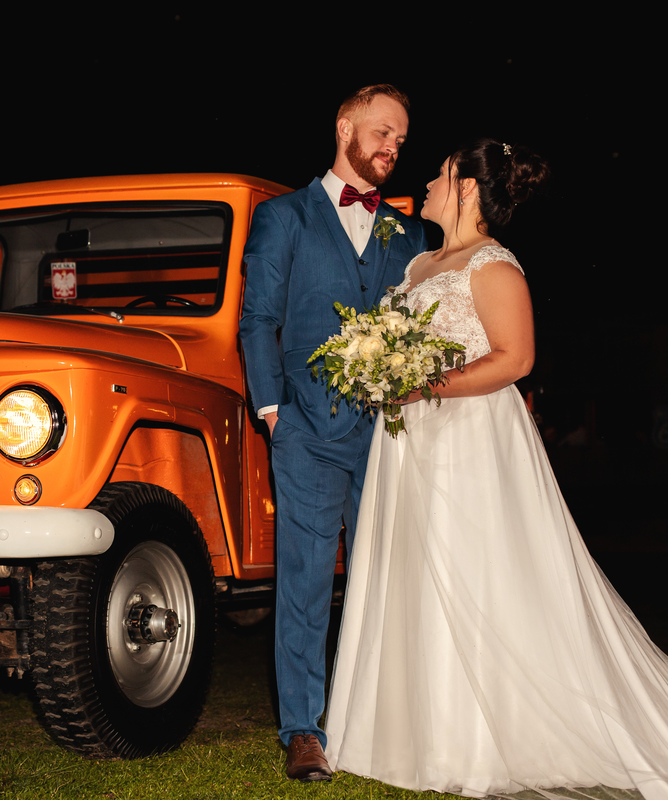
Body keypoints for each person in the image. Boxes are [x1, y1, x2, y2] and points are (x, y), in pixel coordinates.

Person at [324, 138, 668, 799]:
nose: (427, 183)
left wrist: (427, 385)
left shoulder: (494, 265)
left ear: (467, 188)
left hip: (468, 438)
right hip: (408, 439)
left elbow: (516, 358)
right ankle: (404, 735)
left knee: (475, 570)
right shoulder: (419, 263)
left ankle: (472, 741)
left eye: (440, 175)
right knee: (412, 565)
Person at [239, 84, 428, 782]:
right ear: (345, 126)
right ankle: (303, 731)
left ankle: (378, 722)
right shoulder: (283, 216)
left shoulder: (409, 234)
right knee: (306, 583)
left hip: (393, 438)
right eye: (382, 132)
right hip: (307, 432)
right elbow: (258, 319)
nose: (392, 147)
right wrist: (273, 413)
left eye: (401, 140)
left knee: (388, 584)